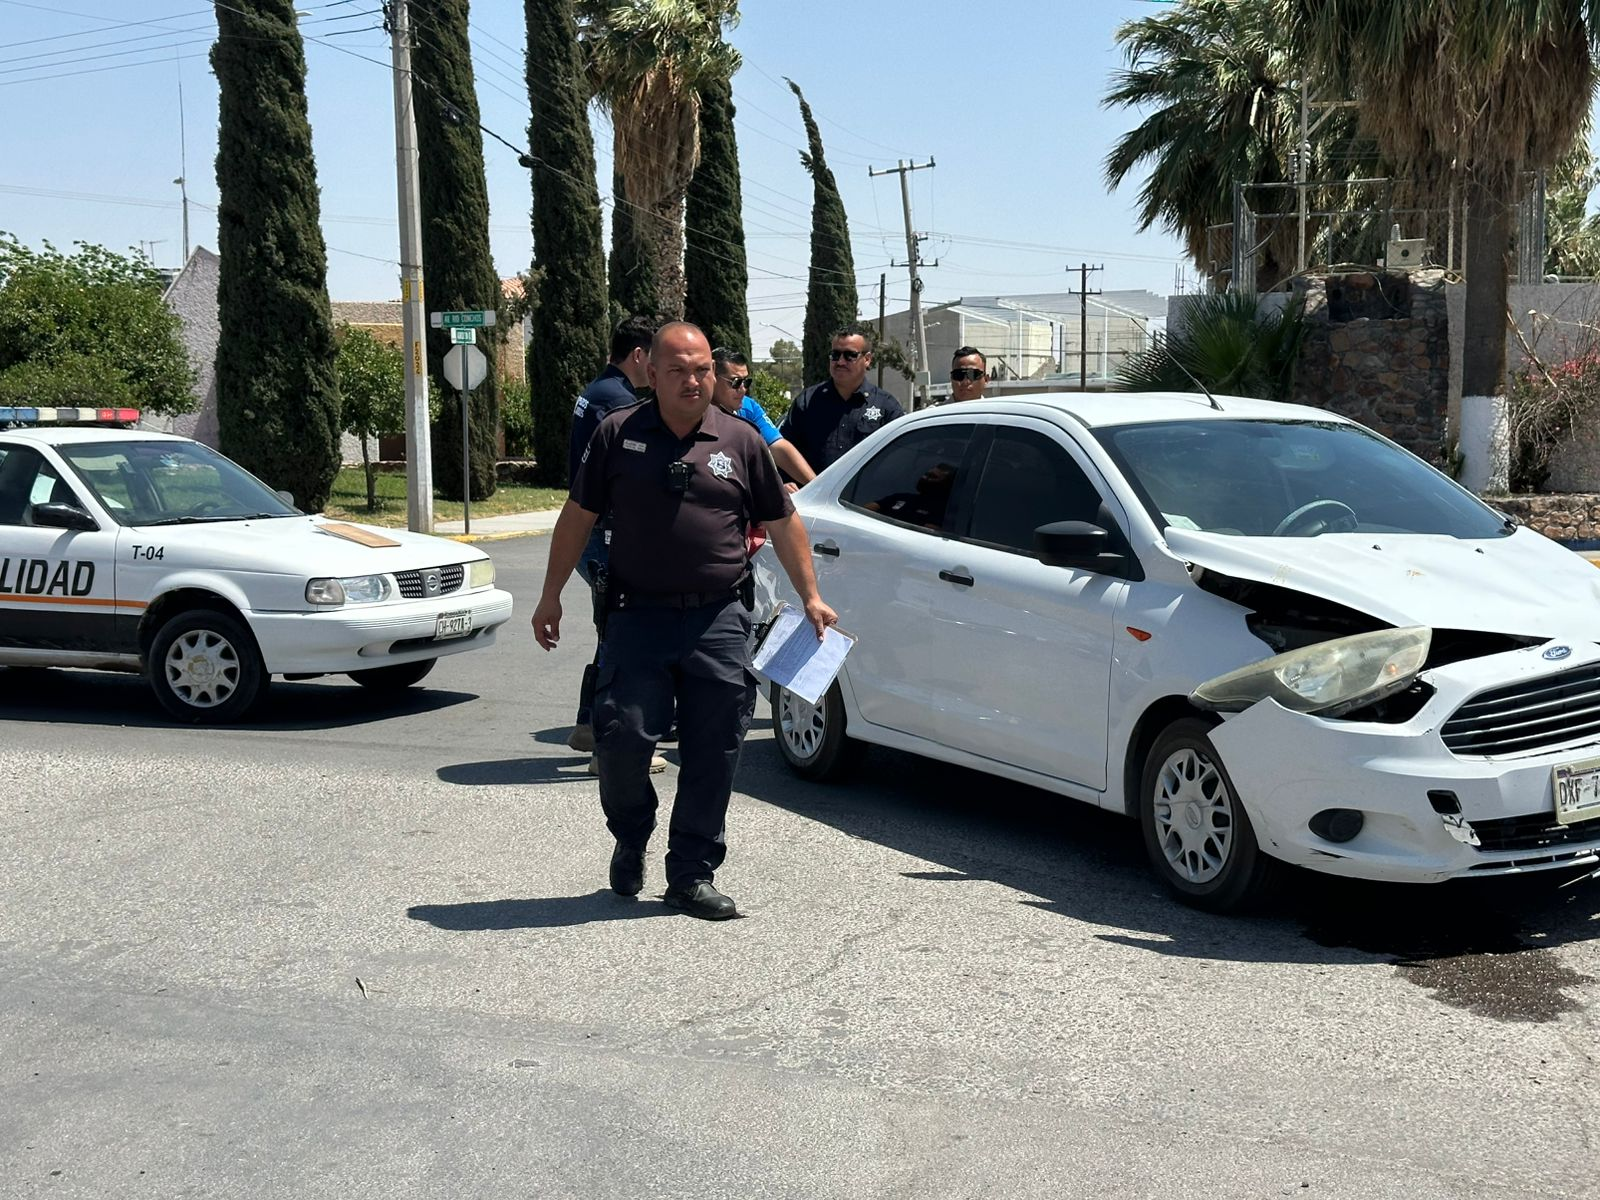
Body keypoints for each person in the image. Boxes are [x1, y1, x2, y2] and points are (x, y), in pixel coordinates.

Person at [532, 322, 838, 921]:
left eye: (703, 370)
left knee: (715, 747)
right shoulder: (617, 434)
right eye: (679, 370)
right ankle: (631, 832)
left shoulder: (742, 439)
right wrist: (550, 596)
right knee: (621, 740)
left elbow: (783, 521)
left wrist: (812, 595)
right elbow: (576, 516)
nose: (694, 380)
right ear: (651, 373)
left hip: (719, 615)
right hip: (636, 615)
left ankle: (691, 873)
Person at [564, 317, 663, 773]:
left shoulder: (597, 391)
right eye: (656, 359)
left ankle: (588, 726)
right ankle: (609, 748)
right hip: (607, 536)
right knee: (622, 640)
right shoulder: (620, 405)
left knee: (611, 634)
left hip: (595, 535)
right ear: (640, 355)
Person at [777, 323, 904, 474]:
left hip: (862, 497)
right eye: (835, 355)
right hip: (810, 495)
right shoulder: (807, 401)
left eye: (850, 355)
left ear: (867, 359)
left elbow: (899, 461)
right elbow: (784, 451)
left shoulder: (886, 406)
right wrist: (786, 484)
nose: (840, 362)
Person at [710, 347, 815, 489]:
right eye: (735, 382)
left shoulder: (748, 407)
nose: (743, 389)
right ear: (712, 378)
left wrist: (817, 487)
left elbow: (779, 448)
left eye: (746, 382)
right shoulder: (694, 414)